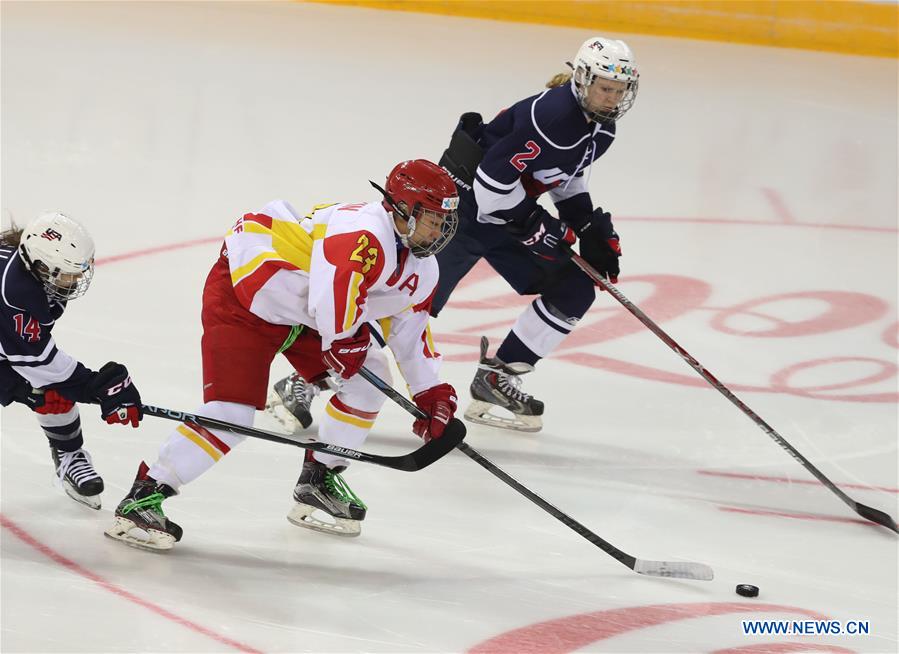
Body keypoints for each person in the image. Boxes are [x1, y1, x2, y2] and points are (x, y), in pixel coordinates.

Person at [105, 159, 461, 550]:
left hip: (305, 311)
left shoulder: (423, 268)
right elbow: (335, 291)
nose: (440, 228)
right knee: (232, 415)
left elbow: (409, 328)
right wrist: (344, 339)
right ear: (402, 209)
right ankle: (147, 493)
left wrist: (431, 391)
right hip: (250, 292)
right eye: (432, 217)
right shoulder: (362, 232)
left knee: (368, 385)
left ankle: (319, 478)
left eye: (444, 220)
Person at [429, 36, 639, 432]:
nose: (612, 98)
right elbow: (490, 189)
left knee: (575, 286)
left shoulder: (601, 128)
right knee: (407, 307)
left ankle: (497, 377)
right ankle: (311, 377)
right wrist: (532, 224)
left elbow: (564, 177)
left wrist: (586, 224)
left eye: (619, 90)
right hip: (463, 213)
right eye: (605, 88)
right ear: (582, 79)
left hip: (504, 216)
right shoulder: (552, 118)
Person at [0, 213, 144, 509]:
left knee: (51, 389)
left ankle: (68, 454)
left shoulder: (33, 275)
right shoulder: (16, 293)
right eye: (69, 272)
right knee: (51, 383)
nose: (77, 278)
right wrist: (97, 387)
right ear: (41, 266)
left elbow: (40, 364)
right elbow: (42, 364)